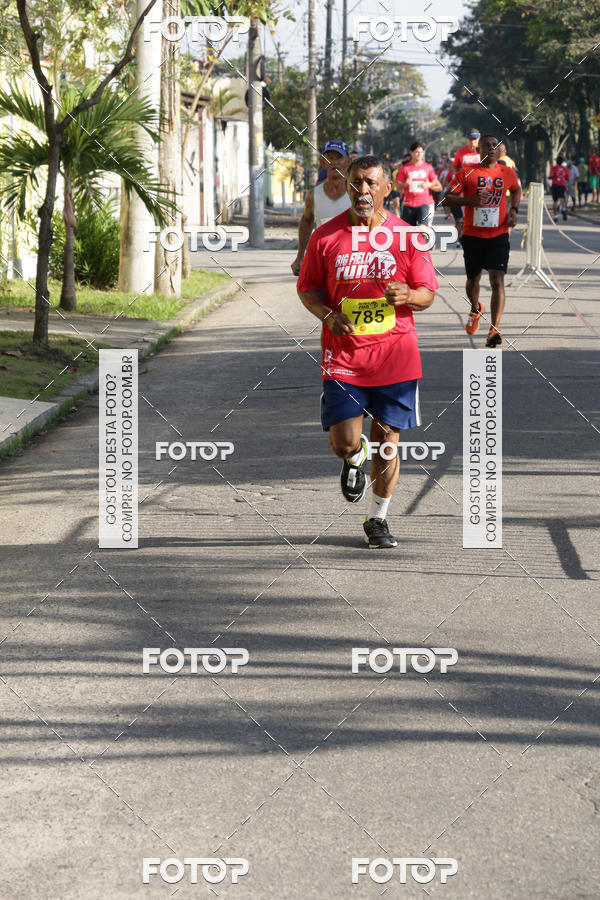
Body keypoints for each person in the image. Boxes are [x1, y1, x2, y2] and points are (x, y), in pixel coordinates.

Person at [296, 155, 438, 548]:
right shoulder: (325, 237)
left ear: (387, 189)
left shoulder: (407, 236)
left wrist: (408, 294)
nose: (363, 191)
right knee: (344, 442)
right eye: (357, 182)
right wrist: (327, 315)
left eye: (371, 183)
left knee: (388, 440)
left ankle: (377, 520)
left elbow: (427, 293)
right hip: (344, 357)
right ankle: (354, 460)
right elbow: (307, 289)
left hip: (396, 356)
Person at [445, 134, 521, 348]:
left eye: (494, 145)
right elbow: (447, 196)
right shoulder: (467, 173)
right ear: (478, 150)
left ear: (499, 151)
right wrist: (470, 201)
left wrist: (514, 210)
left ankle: (494, 329)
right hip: (473, 236)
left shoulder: (507, 172)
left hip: (498, 235)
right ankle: (475, 307)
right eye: (486, 145)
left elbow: (516, 189)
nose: (491, 148)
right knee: (473, 280)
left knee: (497, 280)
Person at [291, 140, 351, 275]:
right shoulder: (314, 195)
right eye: (329, 158)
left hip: (351, 263)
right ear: (323, 163)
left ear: (348, 161)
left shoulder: (357, 193)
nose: (334, 162)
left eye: (339, 157)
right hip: (323, 261)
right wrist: (300, 256)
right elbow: (307, 221)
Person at [394, 142, 442, 226]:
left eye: (421, 152)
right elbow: (398, 187)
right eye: (417, 152)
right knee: (409, 232)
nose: (419, 154)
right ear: (411, 153)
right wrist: (405, 183)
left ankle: (423, 239)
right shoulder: (404, 169)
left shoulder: (428, 167)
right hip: (409, 203)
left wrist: (429, 185)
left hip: (424, 203)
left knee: (423, 229)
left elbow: (437, 184)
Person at [549, 155, 569, 221]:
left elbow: (551, 175)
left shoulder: (553, 168)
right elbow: (568, 177)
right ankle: (563, 209)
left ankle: (555, 216)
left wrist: (552, 176)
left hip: (555, 185)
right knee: (562, 198)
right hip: (562, 185)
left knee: (555, 201)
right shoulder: (564, 169)